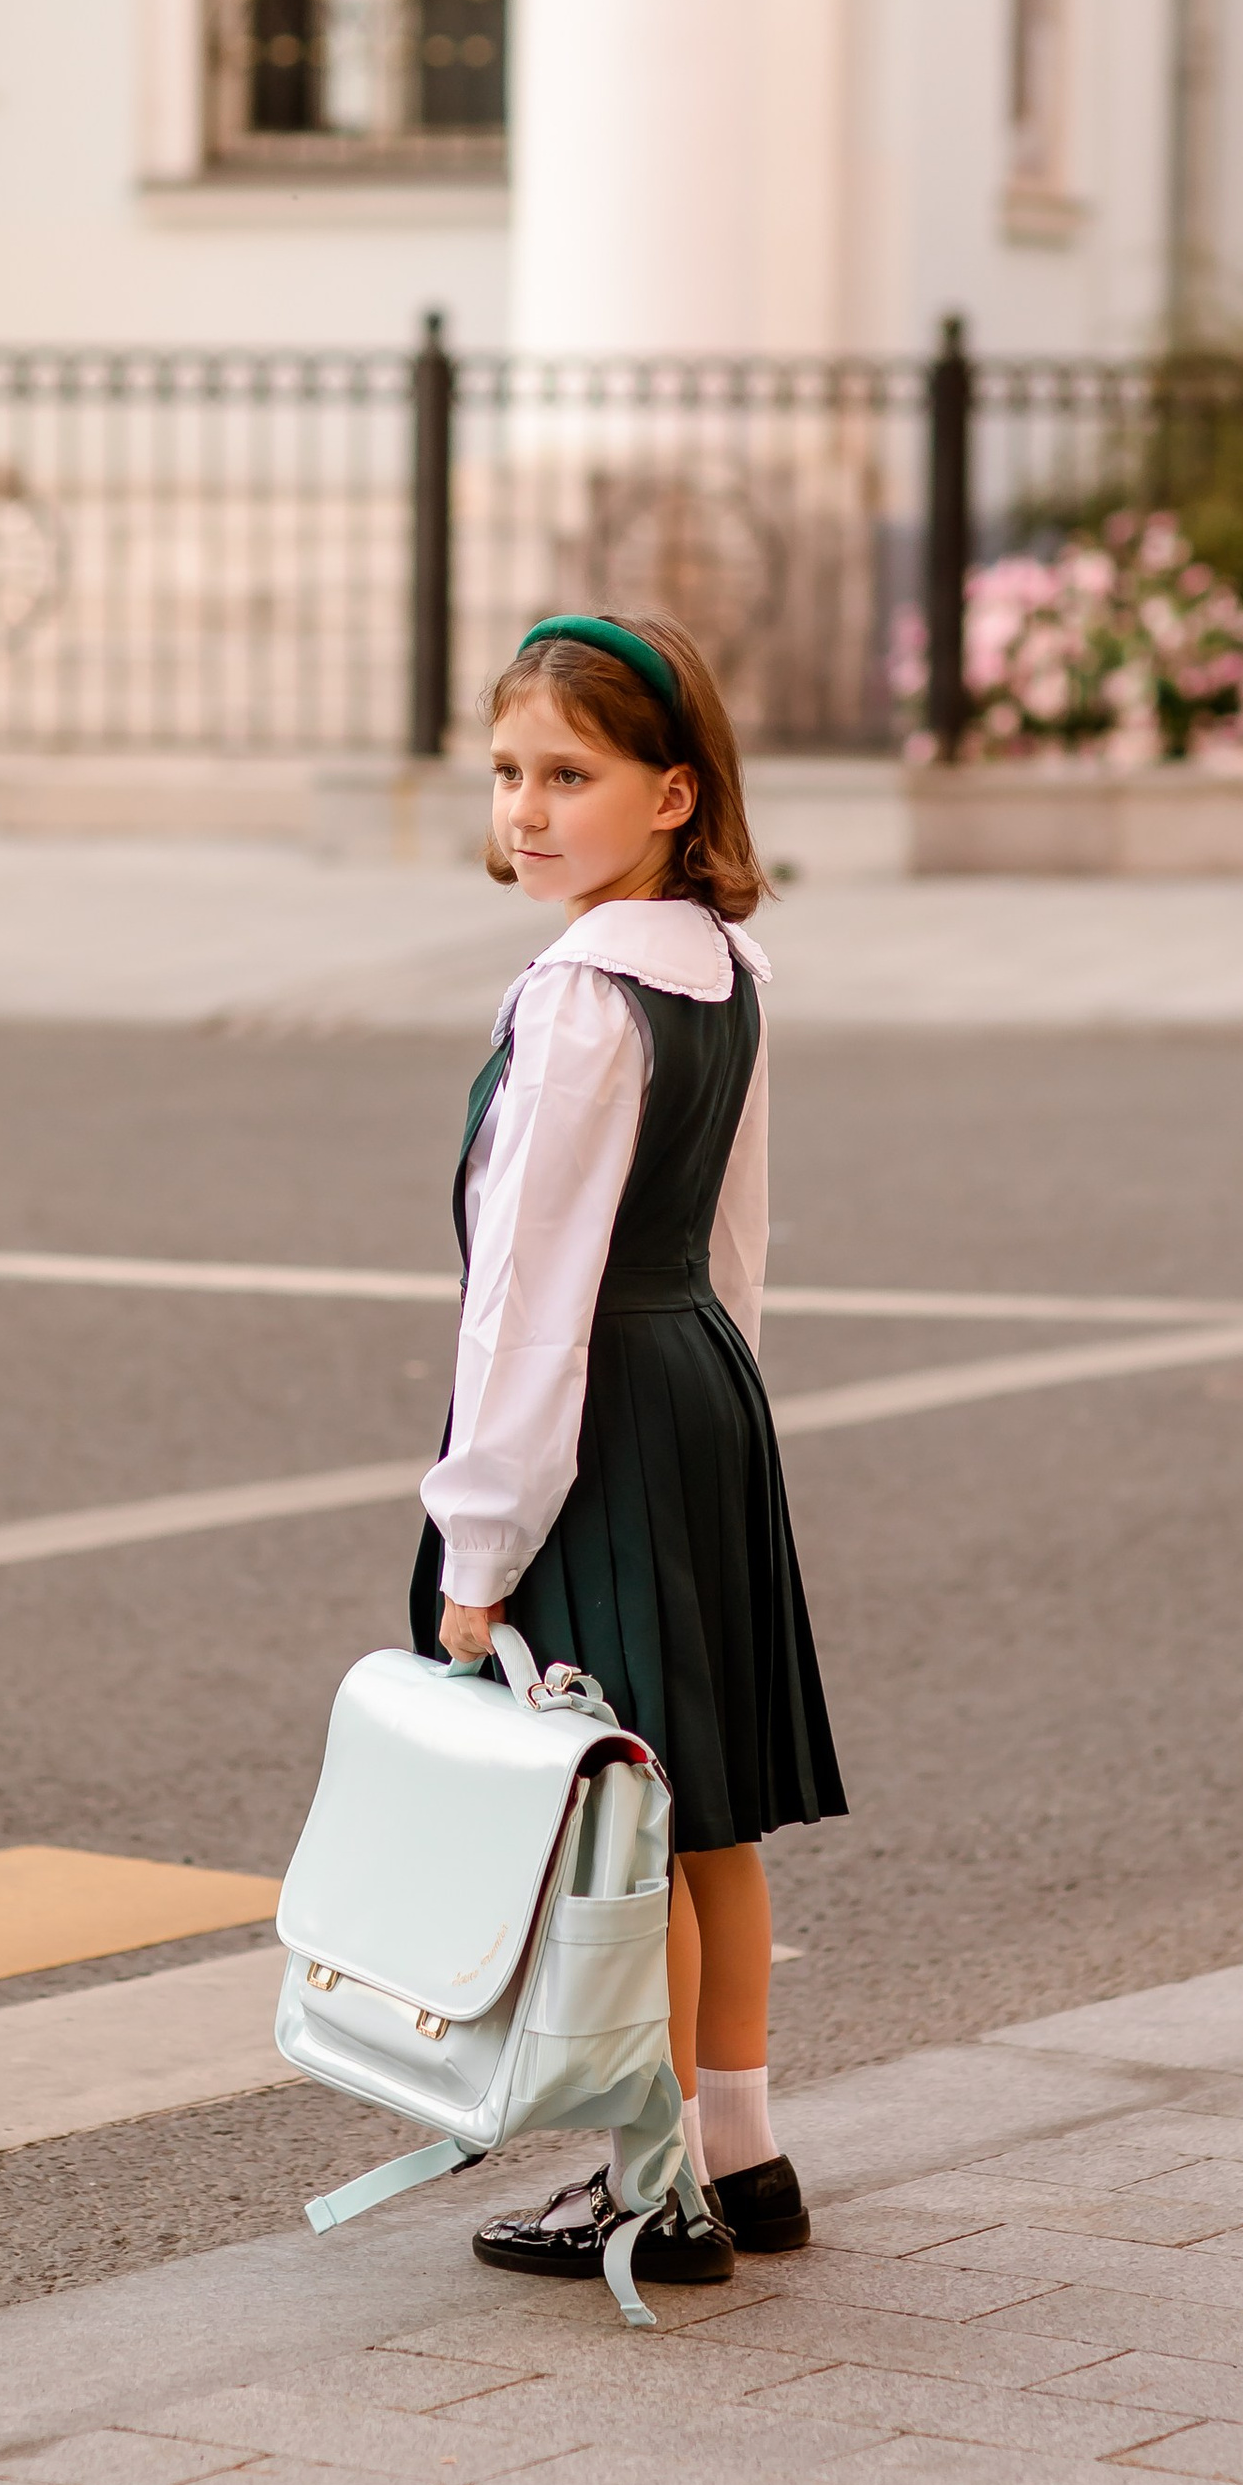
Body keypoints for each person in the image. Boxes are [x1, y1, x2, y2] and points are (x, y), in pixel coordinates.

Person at [409, 608, 847, 2286]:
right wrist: (728, 1404)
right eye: (510, 771)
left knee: (624, 1822)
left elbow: (530, 1297)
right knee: (706, 1814)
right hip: (698, 1395)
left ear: (674, 795)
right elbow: (739, 1237)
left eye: (570, 776)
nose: (527, 808)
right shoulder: (721, 968)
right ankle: (745, 2158)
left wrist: (481, 1546)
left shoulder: (584, 996)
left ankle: (653, 2186)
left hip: (598, 1423)